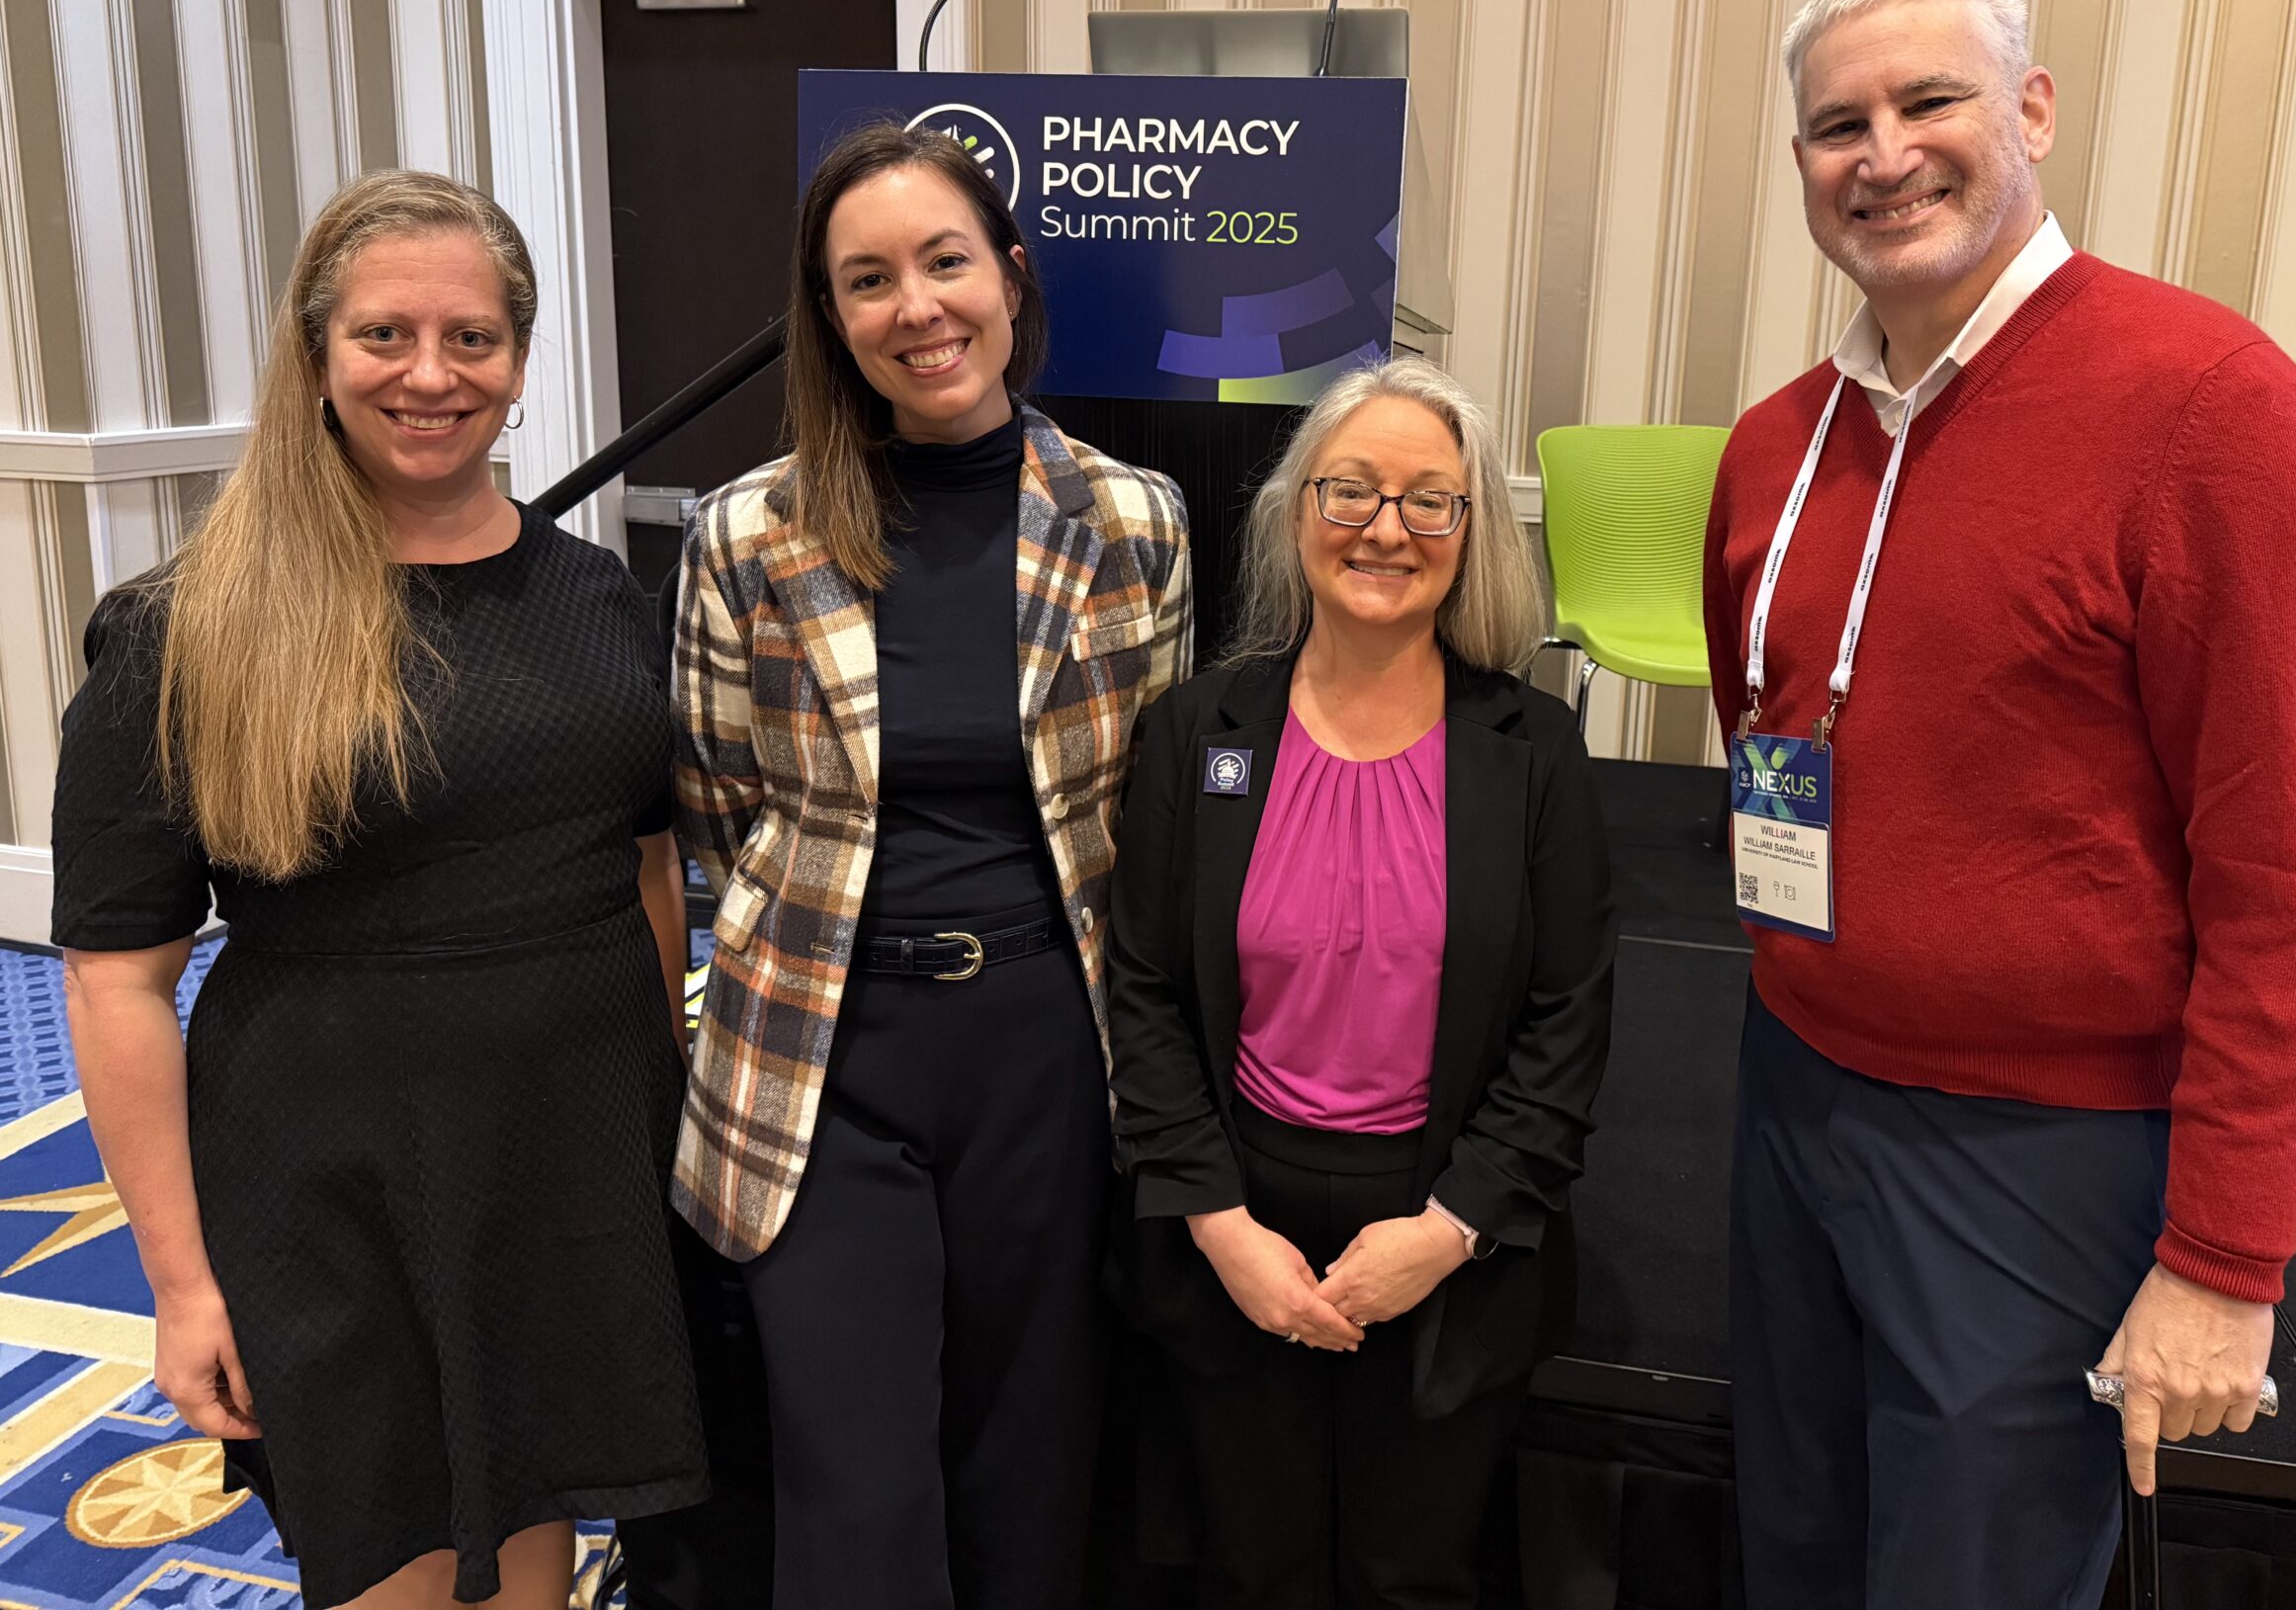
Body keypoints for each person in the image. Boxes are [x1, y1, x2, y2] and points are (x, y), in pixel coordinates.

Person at [1703, 0, 2296, 1608]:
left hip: (2042, 1151)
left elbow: (2288, 878)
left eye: (1931, 101)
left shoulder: (2207, 409)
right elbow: (1762, 724)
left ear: (2036, 111)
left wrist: (2225, 1259)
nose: (1884, 155)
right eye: (1837, 125)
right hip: (1797, 1090)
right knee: (1794, 1551)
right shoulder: (1778, 443)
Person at [53, 171, 708, 1609]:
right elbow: (115, 981)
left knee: (536, 1544)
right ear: (316, 356)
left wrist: (656, 1109)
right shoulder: (190, 629)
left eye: (472, 338)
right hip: (336, 1180)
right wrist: (182, 1285)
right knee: (395, 1559)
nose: (431, 374)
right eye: (384, 336)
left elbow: (649, 864)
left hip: (572, 1162)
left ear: (519, 364)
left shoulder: (598, 598)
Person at [671, 122, 1191, 1609]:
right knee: (854, 1481)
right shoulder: (747, 534)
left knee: (1032, 1458)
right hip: (825, 1054)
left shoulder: (1134, 522)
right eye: (868, 280)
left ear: (1010, 277)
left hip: (1048, 1050)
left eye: (945, 261)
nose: (917, 307)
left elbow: (1152, 817)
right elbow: (720, 812)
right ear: (832, 319)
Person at [1105, 357, 1616, 1608]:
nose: (1386, 528)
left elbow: (1566, 1024)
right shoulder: (1197, 731)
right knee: (1251, 1578)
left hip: (1450, 1240)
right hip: (1239, 1231)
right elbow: (1144, 994)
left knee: (1413, 1580)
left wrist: (1446, 1233)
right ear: (1297, 513)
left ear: (1468, 533)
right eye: (1352, 490)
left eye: (1428, 500)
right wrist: (1220, 1228)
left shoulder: (1536, 751)